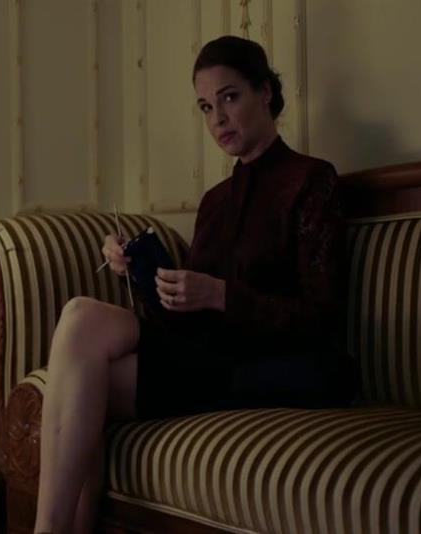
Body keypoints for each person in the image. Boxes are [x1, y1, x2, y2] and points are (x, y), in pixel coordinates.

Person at [33, 35, 358, 534]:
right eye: (206, 107)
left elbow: (321, 316)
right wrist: (138, 270)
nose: (218, 119)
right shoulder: (216, 201)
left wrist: (221, 295)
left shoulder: (312, 180)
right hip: (205, 359)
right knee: (79, 319)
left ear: (265, 92)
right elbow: (178, 321)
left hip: (273, 365)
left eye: (230, 97)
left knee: (79, 376)